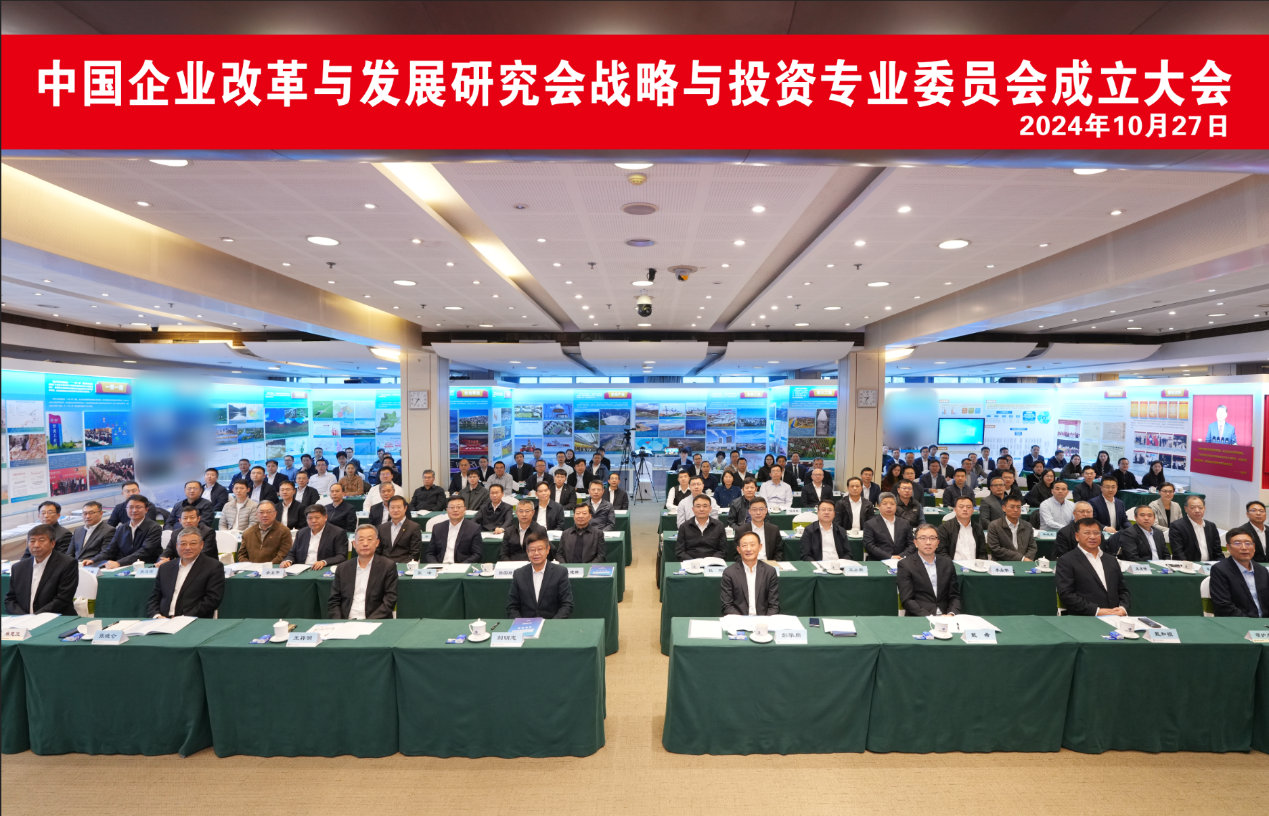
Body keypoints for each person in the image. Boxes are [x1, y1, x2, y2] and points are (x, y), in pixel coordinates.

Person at [1056, 517, 1130, 616]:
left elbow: (1123, 590)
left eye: (1096, 533)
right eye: (1087, 533)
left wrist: (1123, 608)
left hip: (1116, 616)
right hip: (1086, 617)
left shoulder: (1111, 559)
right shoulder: (1066, 560)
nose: (1092, 537)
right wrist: (1097, 611)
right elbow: (1066, 594)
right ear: (1077, 536)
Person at [145, 527, 224, 618]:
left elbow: (212, 600)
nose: (187, 547)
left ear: (201, 545)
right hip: (163, 620)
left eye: (193, 543)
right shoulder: (165, 567)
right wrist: (157, 616)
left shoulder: (213, 567)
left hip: (192, 620)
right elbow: (154, 598)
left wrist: (183, 618)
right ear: (176, 546)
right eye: (183, 544)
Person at [328, 524, 398, 619]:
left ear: (377, 543)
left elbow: (390, 600)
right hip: (346, 620)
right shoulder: (342, 568)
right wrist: (339, 622)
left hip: (375, 620)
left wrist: (368, 622)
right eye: (361, 540)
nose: (365, 543)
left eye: (369, 539)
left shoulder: (388, 566)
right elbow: (334, 601)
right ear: (354, 544)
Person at [4, 525, 77, 615]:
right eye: (32, 541)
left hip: (57, 617)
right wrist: (24, 617)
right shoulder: (18, 567)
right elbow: (10, 599)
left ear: (52, 543)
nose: (36, 545)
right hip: (24, 619)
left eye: (41, 540)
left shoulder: (67, 564)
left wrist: (35, 617)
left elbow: (63, 599)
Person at [898, 523, 962, 617]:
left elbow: (954, 596)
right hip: (920, 617)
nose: (928, 542)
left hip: (945, 617)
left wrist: (951, 614)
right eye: (923, 538)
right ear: (915, 543)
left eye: (932, 538)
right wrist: (931, 617)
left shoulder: (947, 563)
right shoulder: (905, 565)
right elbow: (907, 600)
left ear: (938, 543)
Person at [507, 533, 573, 619]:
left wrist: (553, 624)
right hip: (526, 624)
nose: (536, 553)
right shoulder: (519, 574)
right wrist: (521, 623)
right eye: (532, 550)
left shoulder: (560, 572)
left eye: (540, 549)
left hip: (551, 622)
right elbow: (512, 606)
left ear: (548, 549)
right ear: (527, 551)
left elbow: (567, 604)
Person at [721, 531, 780, 616]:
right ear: (738, 549)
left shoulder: (769, 571)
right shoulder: (729, 573)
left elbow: (774, 606)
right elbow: (727, 606)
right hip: (739, 620)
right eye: (744, 545)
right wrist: (745, 621)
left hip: (763, 620)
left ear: (760, 547)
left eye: (752, 545)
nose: (748, 549)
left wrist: (763, 621)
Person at [1208, 531, 1267, 617]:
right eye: (1237, 543)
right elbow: (1224, 606)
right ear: (1228, 547)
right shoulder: (1220, 570)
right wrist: (1252, 622)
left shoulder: (1262, 570)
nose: (1244, 547)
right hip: (1238, 621)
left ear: (1254, 547)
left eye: (1248, 543)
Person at [281, 504, 349, 571]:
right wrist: (288, 561)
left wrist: (324, 562)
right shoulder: (301, 533)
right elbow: (292, 553)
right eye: (310, 518)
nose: (313, 521)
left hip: (323, 569)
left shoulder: (337, 533)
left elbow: (341, 556)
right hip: (302, 569)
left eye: (317, 517)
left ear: (325, 517)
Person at [102, 495, 163, 567]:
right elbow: (110, 550)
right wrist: (93, 560)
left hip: (147, 566)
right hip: (125, 565)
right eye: (130, 507)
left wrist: (119, 563)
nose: (134, 510)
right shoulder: (121, 528)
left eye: (138, 507)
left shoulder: (154, 528)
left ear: (146, 510)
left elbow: (145, 551)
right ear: (126, 509)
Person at [426, 496, 483, 563]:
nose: (455, 510)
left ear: (464, 509)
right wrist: (436, 566)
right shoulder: (438, 528)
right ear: (447, 510)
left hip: (461, 566)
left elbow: (476, 554)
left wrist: (460, 567)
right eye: (452, 507)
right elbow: (430, 553)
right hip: (440, 566)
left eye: (459, 507)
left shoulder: (474, 528)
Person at [1105, 505, 1171, 562]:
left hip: (1162, 568)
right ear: (1135, 518)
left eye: (1150, 515)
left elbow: (1166, 554)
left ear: (1154, 518)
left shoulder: (1158, 532)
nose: (1146, 518)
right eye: (1142, 515)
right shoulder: (1129, 533)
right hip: (1142, 567)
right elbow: (1132, 557)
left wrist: (1166, 564)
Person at [1169, 496, 1224, 562]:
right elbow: (1178, 553)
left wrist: (1219, 564)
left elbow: (1218, 552)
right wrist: (1189, 565)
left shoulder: (1211, 526)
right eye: (1192, 507)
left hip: (1210, 565)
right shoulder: (1177, 526)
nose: (1197, 511)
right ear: (1186, 509)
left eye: (1200, 507)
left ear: (1204, 508)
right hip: (1188, 565)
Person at [863, 493, 914, 561]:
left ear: (896, 506)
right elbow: (869, 546)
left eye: (892, 504)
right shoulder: (870, 524)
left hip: (902, 561)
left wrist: (900, 557)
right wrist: (890, 557)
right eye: (885, 504)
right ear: (879, 506)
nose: (889, 506)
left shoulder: (905, 523)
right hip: (878, 561)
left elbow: (912, 544)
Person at [937, 496, 989, 561]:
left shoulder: (978, 528)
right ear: (955, 510)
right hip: (953, 565)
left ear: (973, 511)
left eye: (968, 507)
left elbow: (982, 553)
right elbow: (941, 552)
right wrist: (951, 565)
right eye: (961, 507)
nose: (965, 509)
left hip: (974, 566)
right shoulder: (945, 528)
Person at [675, 495, 727, 560]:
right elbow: (680, 551)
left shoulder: (719, 526)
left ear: (710, 509)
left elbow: (723, 550)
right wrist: (693, 562)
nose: (701, 509)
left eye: (705, 506)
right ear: (693, 509)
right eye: (698, 506)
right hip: (690, 563)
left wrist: (711, 561)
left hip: (713, 562)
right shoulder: (684, 527)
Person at [374, 495, 422, 563]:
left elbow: (414, 554)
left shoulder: (414, 527)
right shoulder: (381, 528)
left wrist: (401, 566)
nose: (395, 510)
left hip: (404, 565)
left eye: (399, 507)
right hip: (384, 565)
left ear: (405, 508)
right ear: (388, 509)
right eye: (392, 507)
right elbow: (377, 552)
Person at [731, 496, 781, 561]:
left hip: (769, 564)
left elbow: (779, 553)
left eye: (761, 509)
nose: (758, 513)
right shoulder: (741, 531)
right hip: (748, 564)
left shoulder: (774, 530)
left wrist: (772, 565)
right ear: (749, 511)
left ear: (766, 511)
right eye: (754, 509)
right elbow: (737, 556)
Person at [986, 496, 1036, 561]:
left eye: (1018, 507)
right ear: (1004, 508)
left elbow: (1032, 547)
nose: (1016, 510)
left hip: (1024, 562)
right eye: (1012, 507)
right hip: (1002, 563)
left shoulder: (1027, 525)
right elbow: (995, 549)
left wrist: (1027, 559)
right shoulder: (994, 525)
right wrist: (1021, 558)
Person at [71, 501, 114, 566]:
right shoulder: (78, 530)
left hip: (94, 565)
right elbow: (69, 553)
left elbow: (106, 553)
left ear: (101, 514)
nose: (87, 516)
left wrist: (92, 560)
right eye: (85, 513)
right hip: (76, 566)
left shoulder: (109, 530)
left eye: (91, 513)